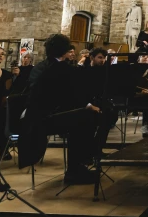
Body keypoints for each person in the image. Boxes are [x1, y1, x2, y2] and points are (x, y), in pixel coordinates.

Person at [19, 34, 108, 184]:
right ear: (64, 49)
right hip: (41, 118)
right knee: (86, 119)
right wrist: (88, 105)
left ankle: (80, 163)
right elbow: (69, 94)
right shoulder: (58, 68)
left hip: (44, 114)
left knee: (87, 116)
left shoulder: (50, 65)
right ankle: (75, 169)